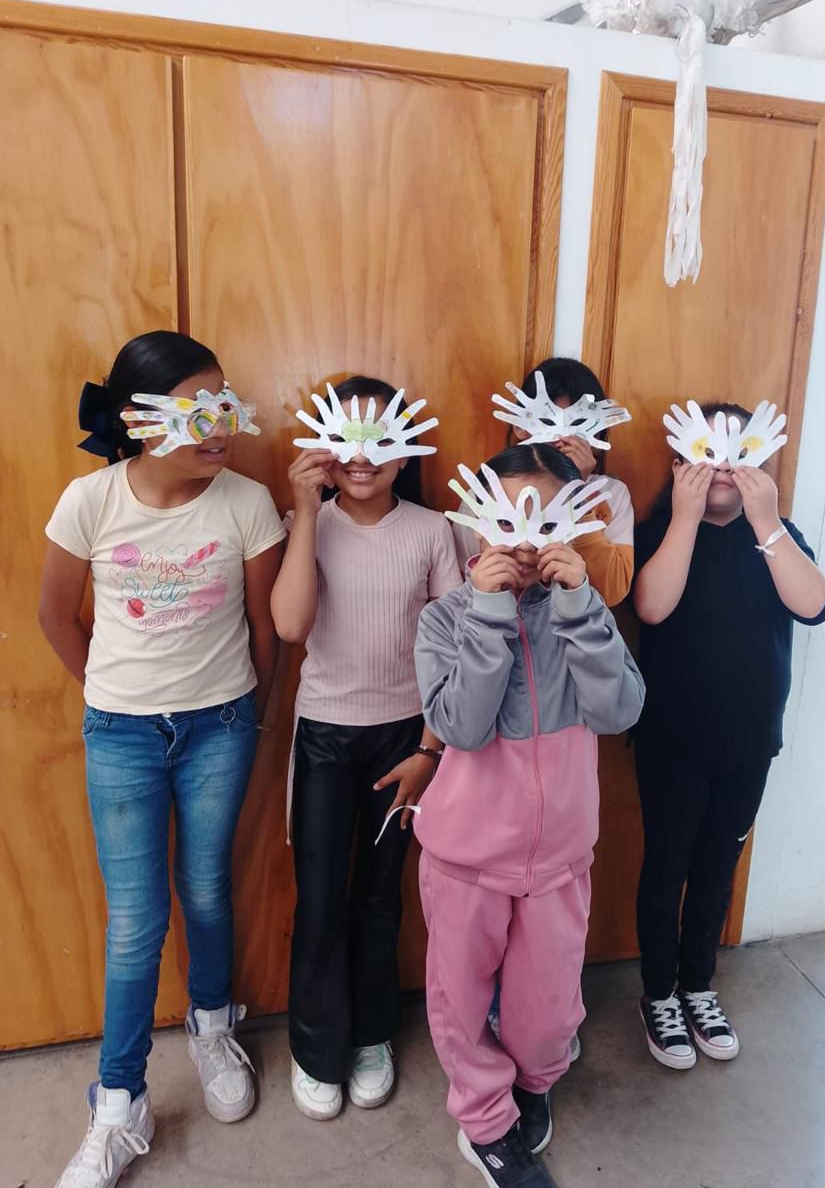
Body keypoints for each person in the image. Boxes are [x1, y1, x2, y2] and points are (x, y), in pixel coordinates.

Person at [40, 331, 284, 1188]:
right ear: (139, 422)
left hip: (221, 727)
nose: (220, 427)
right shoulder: (90, 500)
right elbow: (55, 615)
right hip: (121, 736)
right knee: (136, 921)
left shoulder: (248, 502)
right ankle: (119, 1103)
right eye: (194, 411)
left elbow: (265, 633)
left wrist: (251, 715)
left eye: (225, 404)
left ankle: (212, 1026)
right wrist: (114, 695)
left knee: (208, 888)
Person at [414, 444, 644, 1188]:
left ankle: (533, 1082)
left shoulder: (585, 612)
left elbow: (619, 710)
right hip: (465, 858)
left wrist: (580, 610)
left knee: (547, 1013)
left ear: (574, 522)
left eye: (544, 517)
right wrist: (487, 615)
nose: (520, 537)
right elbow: (462, 725)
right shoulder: (444, 618)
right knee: (459, 999)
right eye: (503, 515)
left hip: (560, 857)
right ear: (476, 519)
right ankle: (486, 1123)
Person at [270, 374, 461, 1121]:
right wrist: (305, 515)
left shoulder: (431, 530)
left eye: (380, 438)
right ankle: (318, 1049)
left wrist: (431, 749)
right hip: (324, 734)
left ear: (406, 451)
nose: (361, 454)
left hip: (403, 737)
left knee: (381, 894)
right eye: (344, 436)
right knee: (319, 897)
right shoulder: (309, 524)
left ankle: (374, 1034)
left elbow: (452, 649)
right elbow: (291, 626)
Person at [631, 402, 825, 1069]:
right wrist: (685, 517)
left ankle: (698, 985)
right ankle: (659, 994)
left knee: (717, 871)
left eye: (737, 453)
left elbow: (815, 606)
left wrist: (767, 522)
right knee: (667, 868)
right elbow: (651, 606)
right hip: (672, 742)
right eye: (704, 452)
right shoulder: (657, 532)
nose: (720, 466)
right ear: (679, 462)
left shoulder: (776, 535)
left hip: (750, 742)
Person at [453, 358, 634, 606]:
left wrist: (576, 491)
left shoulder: (611, 494)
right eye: (548, 422)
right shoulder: (488, 492)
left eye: (578, 424)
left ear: (599, 431)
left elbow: (611, 591)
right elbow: (466, 581)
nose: (562, 436)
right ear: (520, 427)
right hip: (496, 619)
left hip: (575, 622)